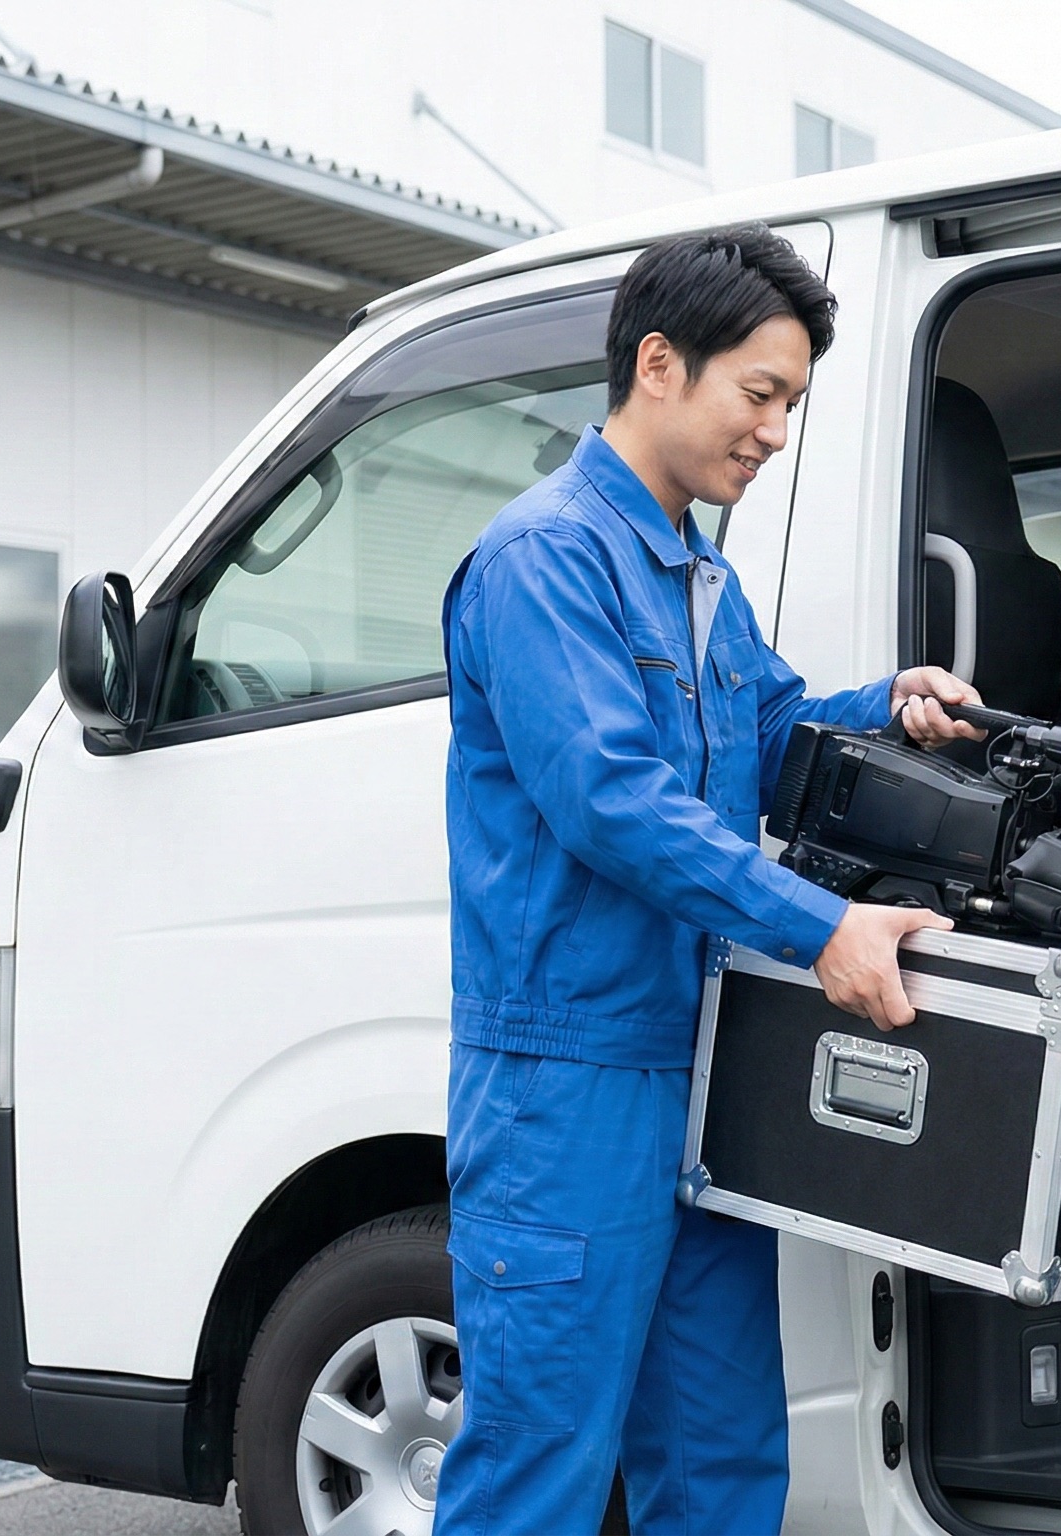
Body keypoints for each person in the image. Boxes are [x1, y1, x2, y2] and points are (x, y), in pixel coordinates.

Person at [435, 223, 985, 1534]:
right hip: (569, 1081)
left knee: (720, 1459)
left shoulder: (694, 569)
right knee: (540, 1469)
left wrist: (887, 708)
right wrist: (825, 929)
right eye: (762, 394)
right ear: (661, 365)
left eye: (791, 402)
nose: (776, 431)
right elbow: (612, 805)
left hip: (701, 1064)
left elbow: (763, 726)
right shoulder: (545, 559)